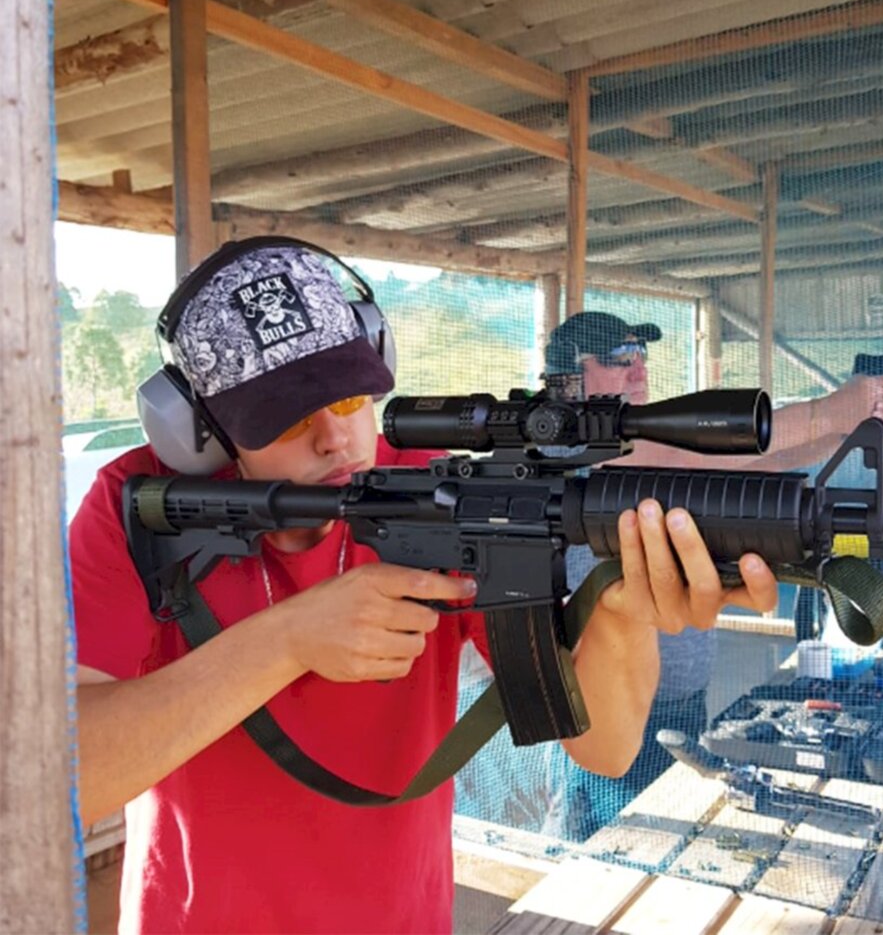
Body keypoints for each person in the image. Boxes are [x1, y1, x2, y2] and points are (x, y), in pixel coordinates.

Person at [70, 239, 779, 934]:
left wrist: (622, 611)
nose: (335, 439)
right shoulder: (134, 505)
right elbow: (66, 782)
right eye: (288, 418)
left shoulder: (431, 484)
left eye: (350, 399)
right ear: (200, 430)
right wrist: (289, 640)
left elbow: (607, 750)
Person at [539, 311, 883, 842]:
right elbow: (683, 457)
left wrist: (846, 428)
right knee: (601, 863)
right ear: (569, 376)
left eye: (641, 357)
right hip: (605, 710)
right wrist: (825, 412)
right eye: (620, 360)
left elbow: (752, 466)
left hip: (681, 703)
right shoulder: (565, 438)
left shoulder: (646, 446)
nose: (638, 371)